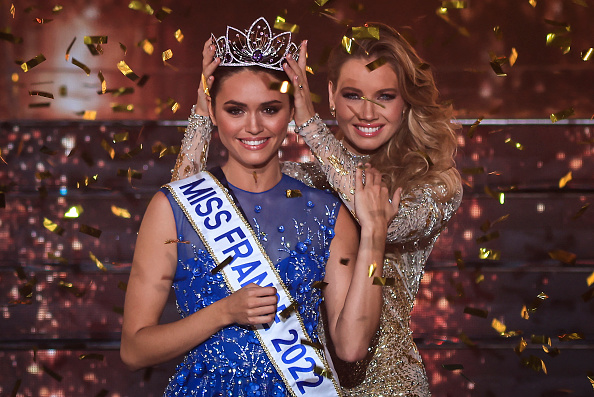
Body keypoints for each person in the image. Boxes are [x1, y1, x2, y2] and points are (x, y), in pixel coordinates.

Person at [173, 21, 462, 397]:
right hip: (301, 381)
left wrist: (310, 126)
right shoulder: (303, 181)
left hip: (390, 385)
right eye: (353, 95)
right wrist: (202, 114)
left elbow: (381, 220)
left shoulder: (434, 183)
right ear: (330, 95)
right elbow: (186, 213)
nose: (368, 112)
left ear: (405, 100)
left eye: (385, 96)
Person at [121, 17, 389, 397]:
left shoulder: (327, 212)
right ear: (212, 113)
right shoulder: (172, 209)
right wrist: (223, 313)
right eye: (235, 110)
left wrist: (375, 235)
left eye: (269, 109)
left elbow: (351, 346)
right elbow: (134, 350)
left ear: (291, 113)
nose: (253, 126)